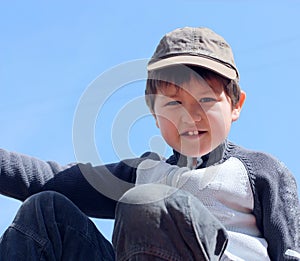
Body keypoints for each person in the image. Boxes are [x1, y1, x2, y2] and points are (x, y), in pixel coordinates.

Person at [0, 26, 299, 261]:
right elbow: (48, 180)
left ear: (236, 105)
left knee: (149, 202)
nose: (190, 115)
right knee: (45, 210)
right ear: (154, 114)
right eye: (173, 103)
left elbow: (291, 250)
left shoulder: (259, 170)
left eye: (206, 99)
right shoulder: (141, 173)